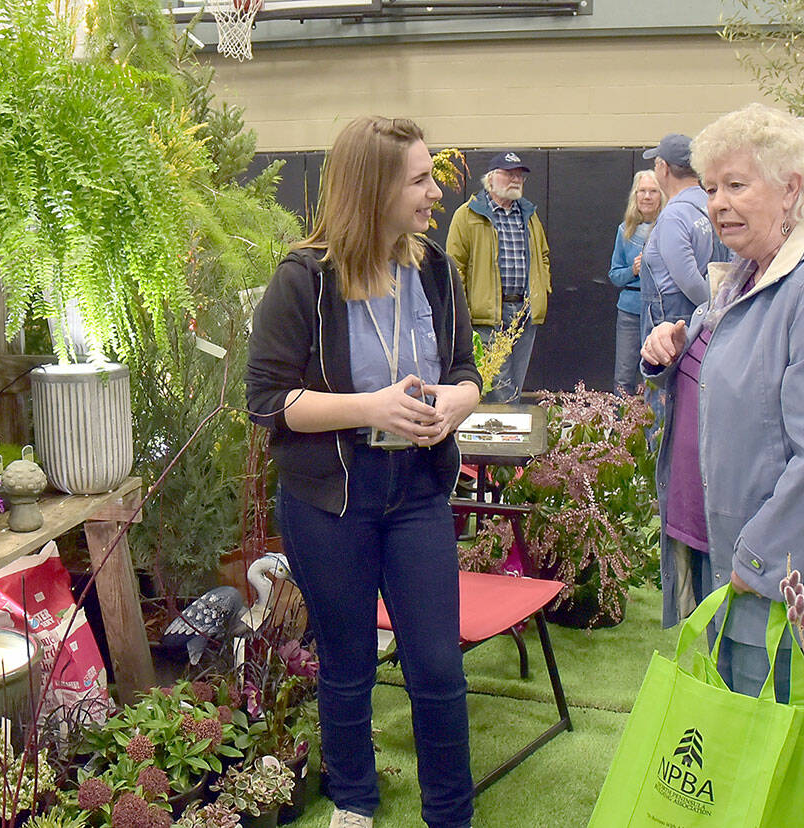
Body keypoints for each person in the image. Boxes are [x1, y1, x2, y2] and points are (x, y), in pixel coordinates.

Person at [246, 116, 481, 828]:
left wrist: (452, 407)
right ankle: (353, 803)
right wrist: (368, 406)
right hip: (331, 502)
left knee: (437, 666)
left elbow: (467, 372)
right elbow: (268, 403)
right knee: (346, 664)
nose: (435, 190)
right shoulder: (302, 280)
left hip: (417, 495)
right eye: (418, 178)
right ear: (373, 189)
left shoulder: (435, 270)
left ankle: (452, 815)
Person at [641, 103, 804, 703]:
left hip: (778, 573)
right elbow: (732, 385)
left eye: (736, 185)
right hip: (725, 550)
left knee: (761, 765)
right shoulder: (748, 274)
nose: (717, 203)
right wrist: (671, 355)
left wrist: (759, 560)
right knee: (733, 752)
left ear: (791, 190)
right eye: (710, 188)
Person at [446, 151, 551, 402]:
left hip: (524, 312)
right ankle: (504, 437)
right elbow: (454, 264)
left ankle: (505, 434)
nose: (516, 180)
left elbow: (543, 256)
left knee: (516, 379)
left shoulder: (529, 214)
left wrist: (541, 290)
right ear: (490, 179)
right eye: (508, 174)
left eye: (520, 175)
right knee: (499, 386)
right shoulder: (467, 215)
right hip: (488, 314)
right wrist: (464, 310)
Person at [639, 133, 730, 345]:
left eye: (655, 164)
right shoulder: (708, 204)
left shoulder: (674, 215)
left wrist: (712, 313)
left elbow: (687, 278)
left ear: (664, 167)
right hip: (705, 314)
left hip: (673, 323)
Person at [607, 170, 664, 395]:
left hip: (659, 311)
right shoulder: (625, 230)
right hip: (630, 311)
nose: (647, 197)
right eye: (642, 191)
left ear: (661, 195)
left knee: (655, 375)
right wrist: (633, 270)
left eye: (653, 191)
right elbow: (614, 275)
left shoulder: (668, 227)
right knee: (623, 375)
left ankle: (655, 428)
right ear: (635, 196)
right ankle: (623, 428)